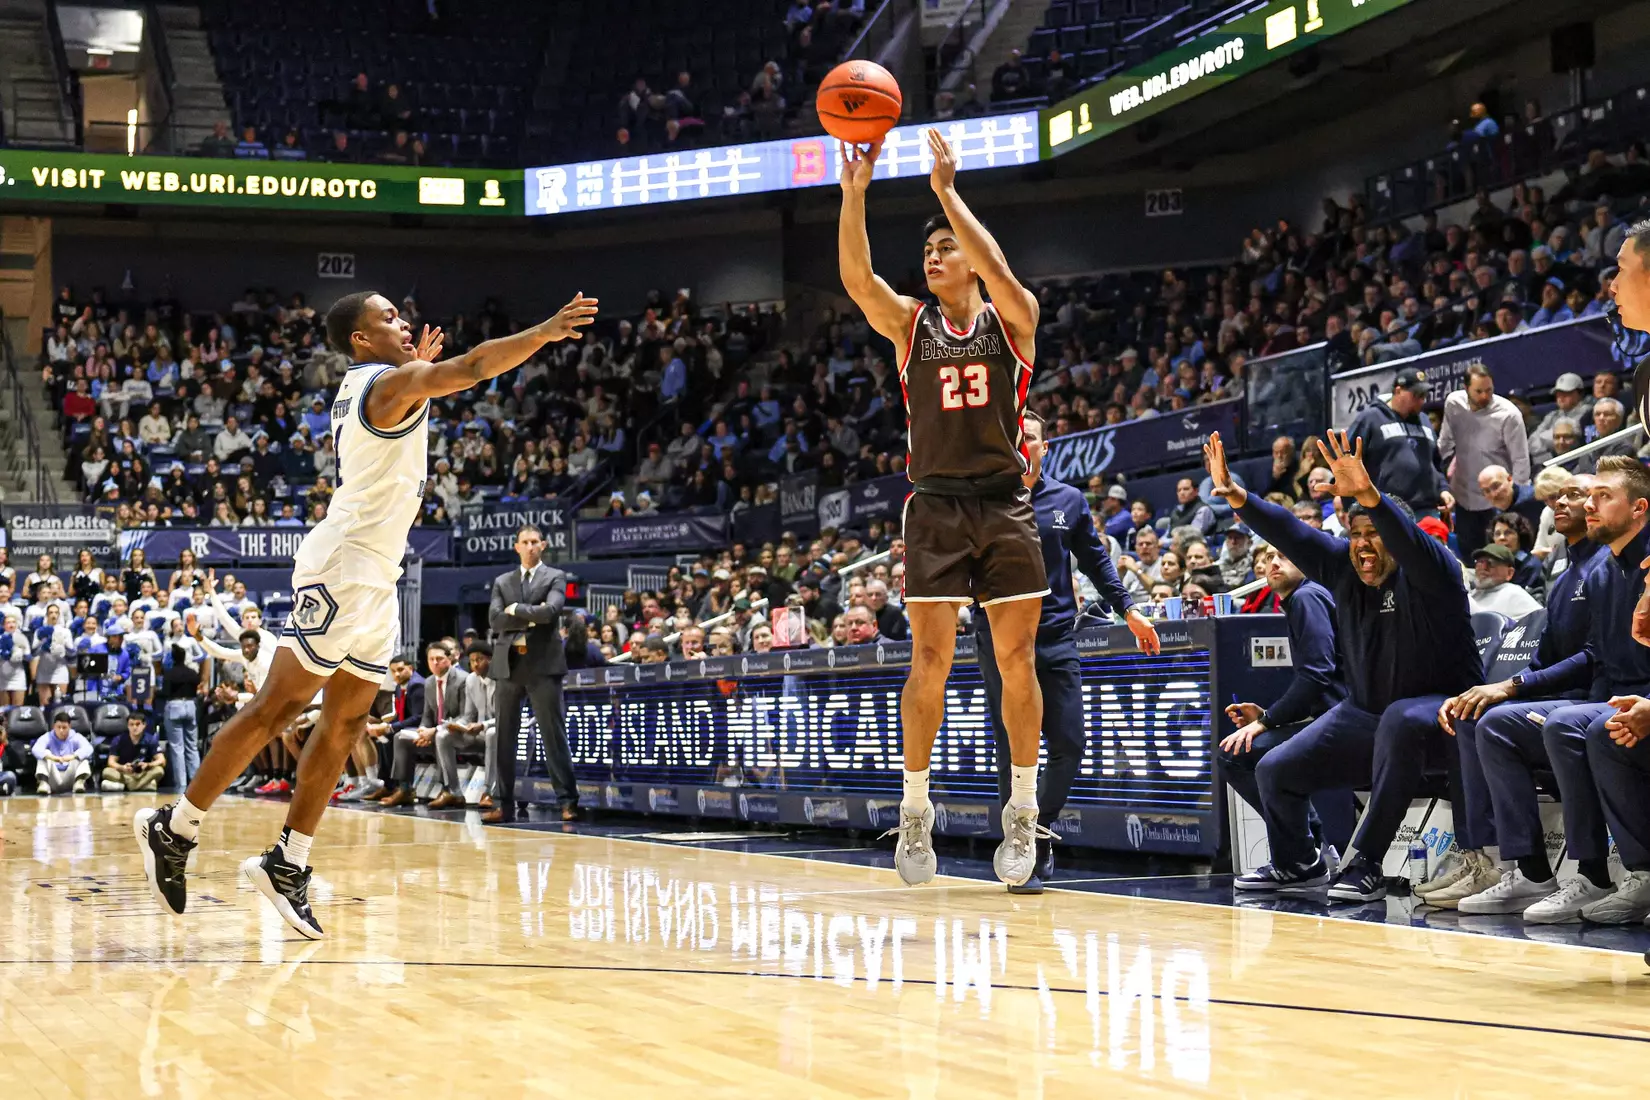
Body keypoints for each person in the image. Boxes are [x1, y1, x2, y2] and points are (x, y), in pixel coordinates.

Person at [134, 287, 599, 940]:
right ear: (360, 338)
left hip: (376, 573)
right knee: (279, 708)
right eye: (389, 318)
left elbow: (433, 384)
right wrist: (545, 330)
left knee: (349, 718)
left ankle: (288, 860)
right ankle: (176, 826)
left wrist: (418, 374)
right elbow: (470, 370)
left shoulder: (380, 384)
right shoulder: (385, 385)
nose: (404, 322)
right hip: (347, 564)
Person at [837, 128, 1048, 888]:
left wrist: (947, 194)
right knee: (930, 659)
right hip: (933, 508)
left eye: (944, 248)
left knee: (1014, 659)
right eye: (926, 250)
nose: (933, 256)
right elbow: (858, 280)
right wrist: (853, 194)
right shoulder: (909, 325)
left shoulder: (1011, 317)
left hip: (1002, 504)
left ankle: (1021, 812)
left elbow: (994, 267)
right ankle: (917, 808)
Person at [1204, 430, 1482, 902]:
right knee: (1275, 768)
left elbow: (1409, 543)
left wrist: (1371, 498)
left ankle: (1367, 863)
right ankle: (1298, 865)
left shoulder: (1434, 572)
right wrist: (1237, 495)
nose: (1363, 544)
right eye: (1355, 534)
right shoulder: (1343, 568)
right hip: (1365, 716)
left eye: (1374, 533)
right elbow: (1294, 533)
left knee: (1398, 718)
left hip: (1443, 720)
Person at [976, 412, 1160, 893]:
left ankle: (1035, 829)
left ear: (1045, 445)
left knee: (1070, 744)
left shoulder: (1069, 500)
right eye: (1014, 437)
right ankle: (1025, 858)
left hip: (1056, 635)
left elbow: (1096, 559)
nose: (1022, 444)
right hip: (998, 638)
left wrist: (1129, 610)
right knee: (1012, 748)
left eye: (1030, 437)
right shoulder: (983, 500)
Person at [1428, 474, 1597, 914]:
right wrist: (1491, 688)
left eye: (1576, 495)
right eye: (1559, 496)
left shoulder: (1605, 566)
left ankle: (1577, 872)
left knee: (1499, 721)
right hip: (1561, 695)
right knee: (1469, 711)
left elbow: (1593, 659)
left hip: (1590, 696)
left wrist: (1513, 685)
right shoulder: (1564, 570)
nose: (1562, 502)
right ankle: (1497, 862)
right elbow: (1544, 659)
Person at [1221, 545, 1350, 890]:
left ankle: (1302, 858)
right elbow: (1320, 682)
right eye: (1267, 558)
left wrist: (1267, 722)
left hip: (1348, 723)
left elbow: (1317, 676)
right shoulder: (1300, 600)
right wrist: (1265, 715)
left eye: (1285, 555)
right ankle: (1310, 850)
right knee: (1244, 751)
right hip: (1330, 717)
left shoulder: (1308, 597)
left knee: (1245, 755)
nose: (1274, 562)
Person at [488, 525, 580, 824]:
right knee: (503, 738)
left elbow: (551, 612)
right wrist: (529, 615)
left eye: (534, 542)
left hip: (543, 666)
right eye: (524, 542)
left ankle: (568, 801)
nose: (530, 547)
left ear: (543, 545)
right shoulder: (502, 581)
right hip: (509, 666)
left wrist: (515, 609)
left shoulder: (555, 576)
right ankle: (503, 803)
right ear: (516, 547)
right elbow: (495, 620)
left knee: (554, 736)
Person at [1440, 365, 1530, 558]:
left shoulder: (1509, 414)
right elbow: (1445, 443)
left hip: (1497, 501)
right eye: (1478, 391)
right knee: (1469, 557)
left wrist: (1517, 505)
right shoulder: (1453, 403)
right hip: (1463, 497)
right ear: (1466, 388)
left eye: (1489, 390)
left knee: (1502, 557)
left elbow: (1521, 461)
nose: (1484, 396)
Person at [1346, 366, 1453, 517]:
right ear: (1398, 391)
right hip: (1387, 509)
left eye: (1424, 395)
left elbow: (1435, 464)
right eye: (1416, 395)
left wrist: (1443, 489)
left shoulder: (1424, 421)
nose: (1421, 400)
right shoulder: (1371, 419)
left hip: (1427, 510)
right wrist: (1350, 505)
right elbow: (1347, 462)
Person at [381, 642, 469, 807]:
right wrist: (422, 730)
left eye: (439, 658)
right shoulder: (429, 682)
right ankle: (405, 789)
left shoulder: (463, 680)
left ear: (449, 659)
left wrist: (434, 731)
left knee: (442, 736)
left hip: (459, 733)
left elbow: (465, 716)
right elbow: (426, 716)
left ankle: (450, 790)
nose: (435, 662)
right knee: (401, 737)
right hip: (435, 732)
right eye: (431, 659)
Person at [432, 641, 498, 810]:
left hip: (500, 732)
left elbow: (505, 717)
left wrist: (482, 725)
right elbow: (468, 715)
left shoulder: (501, 680)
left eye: (480, 659)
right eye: (472, 660)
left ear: (491, 659)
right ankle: (453, 791)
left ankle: (489, 791)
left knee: (491, 733)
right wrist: (455, 725)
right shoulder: (471, 680)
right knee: (443, 735)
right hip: (477, 733)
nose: (475, 664)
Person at [1467, 544, 1542, 617]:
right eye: (1480, 562)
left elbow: (1541, 620)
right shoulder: (1473, 592)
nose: (1484, 567)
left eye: (1491, 563)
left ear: (1509, 573)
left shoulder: (1513, 593)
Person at [103, 712, 166, 791]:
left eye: (137, 724)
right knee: (106, 771)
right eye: (131, 724)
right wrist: (122, 767)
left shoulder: (150, 739)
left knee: (159, 770)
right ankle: (143, 786)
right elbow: (111, 762)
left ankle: (128, 786)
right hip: (125, 773)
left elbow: (162, 760)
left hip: (143, 773)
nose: (134, 727)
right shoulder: (118, 740)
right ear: (127, 726)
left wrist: (148, 765)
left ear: (144, 725)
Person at [33, 713, 92, 795]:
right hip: (53, 777)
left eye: (64, 727)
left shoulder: (75, 736)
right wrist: (53, 757)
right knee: (45, 754)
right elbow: (36, 749)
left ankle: (79, 783)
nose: (61, 730)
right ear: (54, 727)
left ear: (69, 727)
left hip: (71, 777)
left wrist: (72, 756)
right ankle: (43, 784)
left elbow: (89, 748)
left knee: (81, 757)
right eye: (58, 727)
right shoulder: (48, 736)